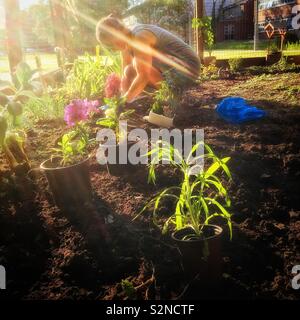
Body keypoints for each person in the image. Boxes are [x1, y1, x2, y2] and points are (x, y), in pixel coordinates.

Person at [96, 14, 200, 103]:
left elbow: (143, 76)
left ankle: (171, 95)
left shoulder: (140, 37)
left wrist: (124, 101)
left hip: (188, 68)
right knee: (129, 70)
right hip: (172, 67)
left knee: (138, 71)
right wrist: (122, 97)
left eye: (111, 46)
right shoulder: (126, 40)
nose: (113, 50)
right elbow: (125, 74)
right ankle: (138, 101)